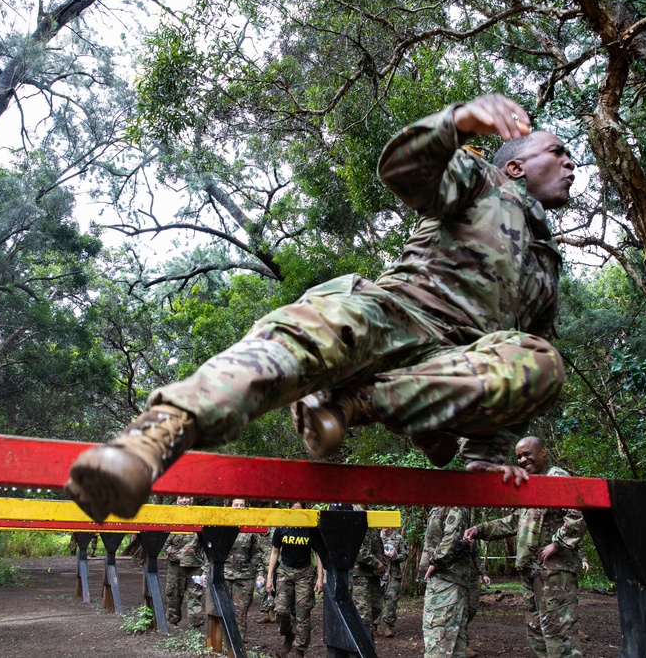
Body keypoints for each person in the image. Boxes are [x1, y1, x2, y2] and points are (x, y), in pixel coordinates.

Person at [65, 93, 574, 524]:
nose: (571, 164)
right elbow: (402, 170)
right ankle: (150, 441)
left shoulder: (548, 264)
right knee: (318, 330)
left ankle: (349, 406)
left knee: (545, 363)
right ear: (515, 165)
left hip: (447, 368)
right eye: (558, 151)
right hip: (397, 312)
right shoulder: (482, 180)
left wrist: (486, 457)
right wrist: (457, 121)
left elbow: (521, 365)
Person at [463, 436, 587, 658]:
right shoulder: (531, 483)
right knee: (537, 633)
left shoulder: (556, 477)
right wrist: (479, 529)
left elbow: (577, 515)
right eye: (519, 456)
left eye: (528, 454)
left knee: (560, 634)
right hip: (531, 572)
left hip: (554, 573)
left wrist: (556, 544)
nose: (522, 460)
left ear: (543, 453)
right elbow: (514, 521)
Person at [266, 502, 324, 658]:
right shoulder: (282, 527)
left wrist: (320, 576)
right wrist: (269, 577)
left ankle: (299, 651)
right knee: (280, 610)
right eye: (293, 511)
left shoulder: (311, 529)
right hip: (285, 571)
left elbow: (318, 553)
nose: (296, 514)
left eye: (299, 511)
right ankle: (288, 635)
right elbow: (275, 553)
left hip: (305, 573)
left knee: (302, 612)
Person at [421, 505, 479, 658]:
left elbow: (452, 537)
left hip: (446, 582)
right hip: (448, 581)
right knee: (454, 646)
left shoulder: (454, 504)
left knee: (438, 643)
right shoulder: (444, 504)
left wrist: (436, 562)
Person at [223, 498, 268, 637]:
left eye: (241, 505)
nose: (238, 507)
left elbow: (256, 553)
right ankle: (224, 641)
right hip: (224, 574)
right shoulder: (222, 525)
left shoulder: (250, 528)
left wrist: (260, 572)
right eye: (235, 504)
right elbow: (212, 552)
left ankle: (238, 641)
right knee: (223, 609)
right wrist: (207, 571)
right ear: (230, 506)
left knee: (240, 611)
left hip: (245, 576)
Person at [164, 496, 206, 631]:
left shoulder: (199, 516)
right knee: (173, 594)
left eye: (187, 497)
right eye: (181, 498)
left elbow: (205, 542)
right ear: (176, 500)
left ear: (192, 499)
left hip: (196, 565)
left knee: (195, 595)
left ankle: (196, 627)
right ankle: (173, 624)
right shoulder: (169, 517)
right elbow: (164, 543)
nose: (184, 500)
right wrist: (180, 555)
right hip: (175, 565)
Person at [350, 504, 386, 639]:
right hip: (360, 573)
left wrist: (383, 566)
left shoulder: (372, 514)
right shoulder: (354, 513)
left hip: (375, 573)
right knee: (363, 614)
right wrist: (376, 563)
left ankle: (367, 642)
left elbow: (378, 544)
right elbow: (358, 549)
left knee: (376, 609)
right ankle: (363, 648)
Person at [377, 525, 409, 637]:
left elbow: (405, 555)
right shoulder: (376, 536)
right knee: (375, 599)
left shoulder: (398, 538)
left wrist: (394, 556)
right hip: (377, 573)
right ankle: (374, 625)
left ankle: (388, 626)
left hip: (394, 574)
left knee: (391, 599)